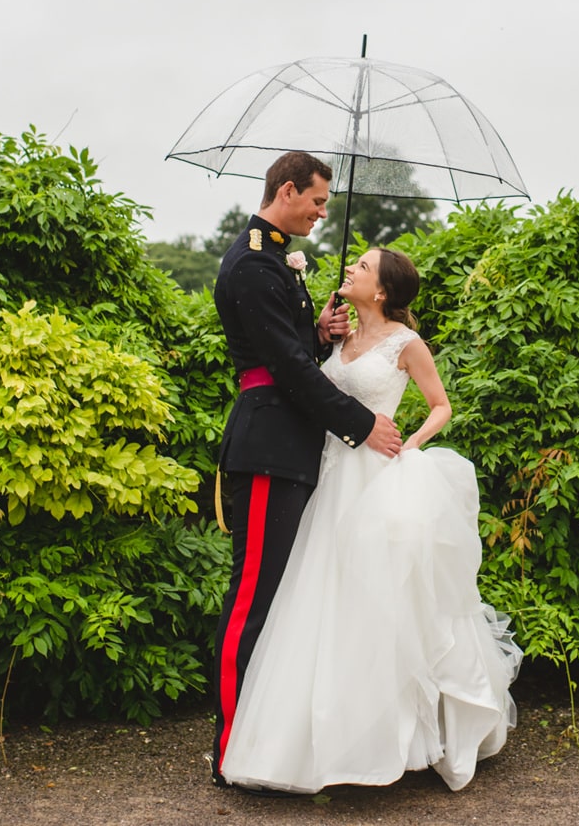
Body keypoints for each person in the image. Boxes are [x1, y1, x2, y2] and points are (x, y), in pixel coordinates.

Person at [220, 245, 522, 794]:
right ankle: (318, 742)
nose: (351, 270)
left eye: (361, 267)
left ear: (381, 291)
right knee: (319, 600)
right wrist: (319, 335)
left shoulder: (407, 344)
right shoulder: (339, 338)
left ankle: (405, 740)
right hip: (330, 480)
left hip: (377, 477)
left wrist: (411, 442)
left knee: (383, 602)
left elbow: (441, 405)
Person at [210, 152, 403, 787]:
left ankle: (266, 739)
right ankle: (230, 745)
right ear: (287, 190)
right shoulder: (254, 264)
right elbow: (287, 373)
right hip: (268, 447)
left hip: (292, 449)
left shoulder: (274, 259)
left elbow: (295, 351)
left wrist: (319, 331)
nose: (324, 214)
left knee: (283, 598)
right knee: (253, 600)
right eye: (318, 201)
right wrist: (359, 421)